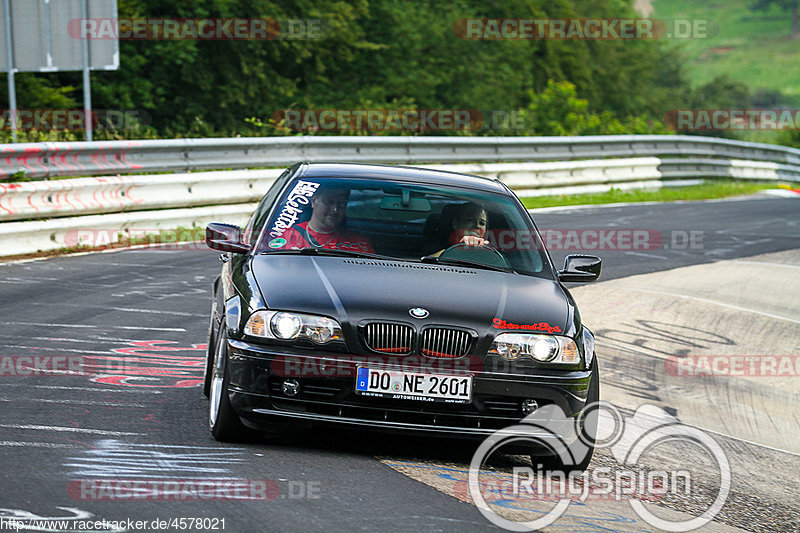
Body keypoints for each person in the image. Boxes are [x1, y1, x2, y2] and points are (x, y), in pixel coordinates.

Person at [279, 185, 375, 252]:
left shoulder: (360, 244)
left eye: (342, 204)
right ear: (314, 201)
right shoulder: (287, 237)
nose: (335, 209)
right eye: (329, 202)